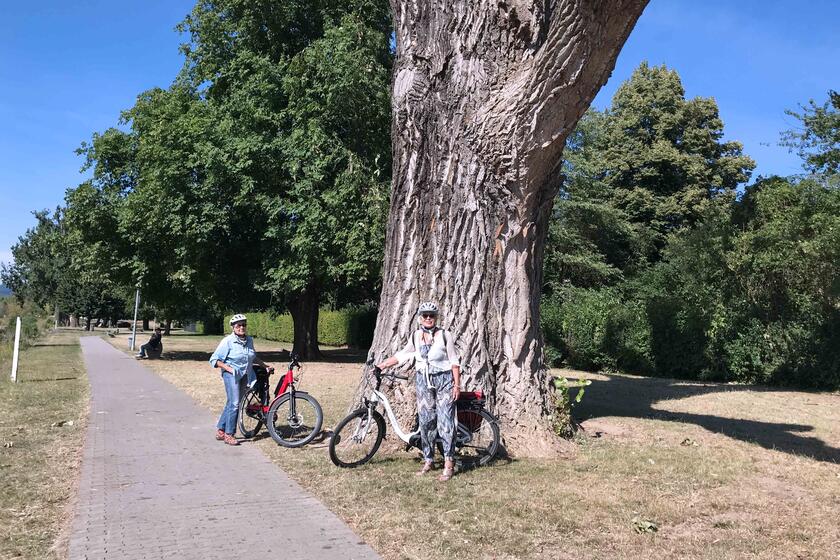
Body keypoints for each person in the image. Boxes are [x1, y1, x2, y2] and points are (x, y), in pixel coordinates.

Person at [376, 301, 461, 481]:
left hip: (444, 380)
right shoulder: (415, 336)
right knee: (426, 422)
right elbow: (403, 355)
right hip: (423, 381)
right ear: (420, 318)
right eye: (425, 315)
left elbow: (454, 361)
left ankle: (448, 463)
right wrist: (383, 364)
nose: (428, 318)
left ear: (436, 317)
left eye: (431, 315)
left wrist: (457, 385)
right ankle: (428, 460)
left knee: (445, 422)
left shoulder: (445, 335)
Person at [209, 314, 273, 446]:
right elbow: (214, 360)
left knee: (232, 403)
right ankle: (229, 434)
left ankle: (221, 430)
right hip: (231, 374)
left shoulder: (249, 340)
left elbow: (252, 357)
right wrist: (229, 369)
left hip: (245, 375)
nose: (241, 327)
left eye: (244, 325)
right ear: (233, 327)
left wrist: (265, 365)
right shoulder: (227, 341)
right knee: (235, 403)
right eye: (238, 325)